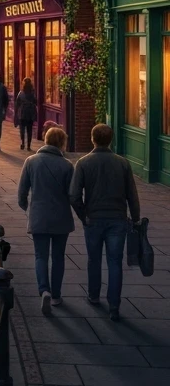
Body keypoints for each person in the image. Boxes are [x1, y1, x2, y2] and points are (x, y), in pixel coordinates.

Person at [70, 124, 141, 320]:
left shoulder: (83, 163)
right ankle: (114, 305)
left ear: (93, 138)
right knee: (115, 262)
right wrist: (135, 218)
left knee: (94, 260)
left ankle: (93, 295)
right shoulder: (123, 163)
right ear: (111, 139)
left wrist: (83, 215)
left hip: (93, 218)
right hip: (118, 219)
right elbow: (132, 195)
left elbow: (74, 195)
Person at [18, 126, 75, 315]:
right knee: (58, 257)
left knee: (40, 256)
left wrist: (30, 209)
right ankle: (57, 295)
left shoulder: (31, 161)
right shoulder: (67, 166)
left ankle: (44, 291)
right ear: (61, 143)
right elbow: (73, 195)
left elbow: (21, 194)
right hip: (61, 218)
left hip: (39, 216)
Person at [15, 78, 38, 151]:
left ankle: (22, 143)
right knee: (29, 129)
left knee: (22, 129)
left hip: (23, 112)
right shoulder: (33, 93)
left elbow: (17, 103)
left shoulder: (21, 93)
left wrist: (16, 113)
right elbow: (36, 102)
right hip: (30, 112)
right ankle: (28, 145)